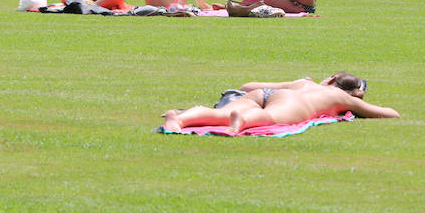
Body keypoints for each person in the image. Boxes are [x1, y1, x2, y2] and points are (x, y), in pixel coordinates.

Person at [162, 72, 399, 135]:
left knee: (221, 114)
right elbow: (390, 114)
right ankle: (243, 121)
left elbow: (247, 87)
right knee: (269, 118)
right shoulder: (342, 98)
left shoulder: (303, 82)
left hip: (265, 94)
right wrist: (356, 100)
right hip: (293, 104)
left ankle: (179, 118)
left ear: (331, 79)